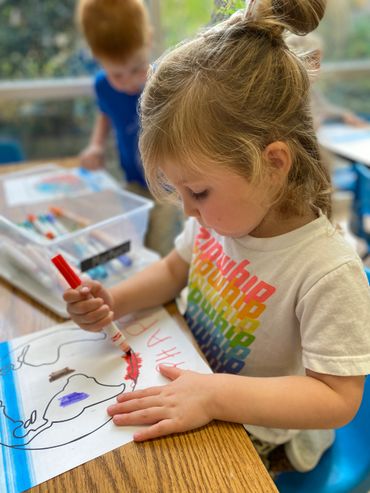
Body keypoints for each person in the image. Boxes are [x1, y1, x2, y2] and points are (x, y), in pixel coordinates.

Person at [65, 0, 370, 477]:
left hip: (263, 432)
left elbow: (336, 398)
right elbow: (173, 270)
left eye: (198, 191)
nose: (187, 209)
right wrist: (114, 299)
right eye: (178, 190)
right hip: (197, 379)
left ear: (272, 164)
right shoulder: (223, 217)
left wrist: (213, 395)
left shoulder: (326, 271)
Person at [76, 0, 183, 256]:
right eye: (117, 75)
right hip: (133, 181)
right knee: (131, 244)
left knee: (161, 247)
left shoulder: (164, 81)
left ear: (148, 40)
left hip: (169, 187)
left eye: (136, 69)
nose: (128, 83)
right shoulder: (104, 86)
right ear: (96, 58)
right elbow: (106, 113)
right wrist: (96, 144)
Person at [286, 31, 368, 130]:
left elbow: (324, 108)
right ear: (314, 60)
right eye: (319, 61)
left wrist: (344, 114)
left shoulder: (312, 90)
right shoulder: (292, 96)